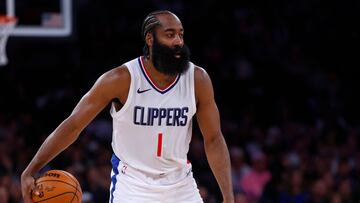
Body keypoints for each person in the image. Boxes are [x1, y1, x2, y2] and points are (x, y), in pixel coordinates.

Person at [21, 10, 234, 203]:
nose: (178, 41)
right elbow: (73, 125)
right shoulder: (121, 79)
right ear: (150, 39)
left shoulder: (197, 79)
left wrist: (228, 196)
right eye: (170, 35)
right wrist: (32, 168)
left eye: (181, 34)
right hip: (132, 186)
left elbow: (214, 139)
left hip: (181, 184)